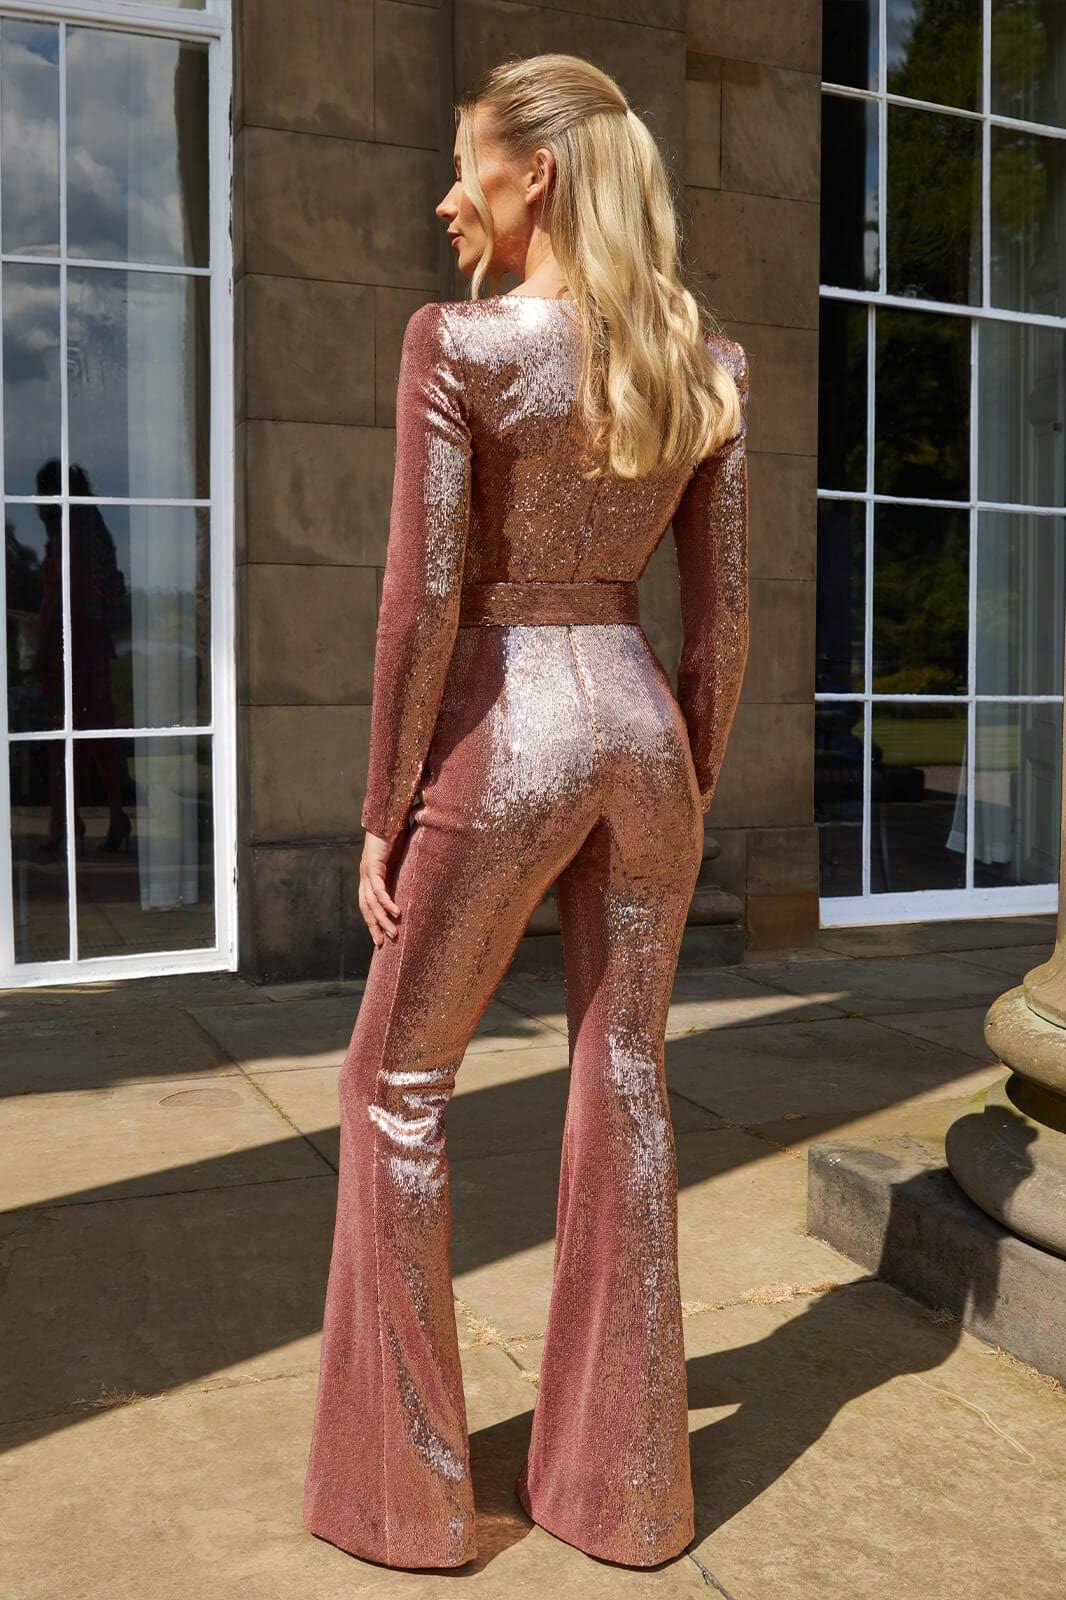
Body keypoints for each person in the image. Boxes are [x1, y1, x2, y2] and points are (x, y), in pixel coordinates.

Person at [302, 51, 751, 1572]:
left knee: (391, 1087)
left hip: (506, 732)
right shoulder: (705, 364)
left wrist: (381, 806)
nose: (446, 193)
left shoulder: (466, 344)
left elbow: (420, 605)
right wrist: (679, 775)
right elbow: (723, 629)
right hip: (641, 729)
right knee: (622, 1077)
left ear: (534, 173)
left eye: (463, 163)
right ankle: (624, 1494)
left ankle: (407, 1498)